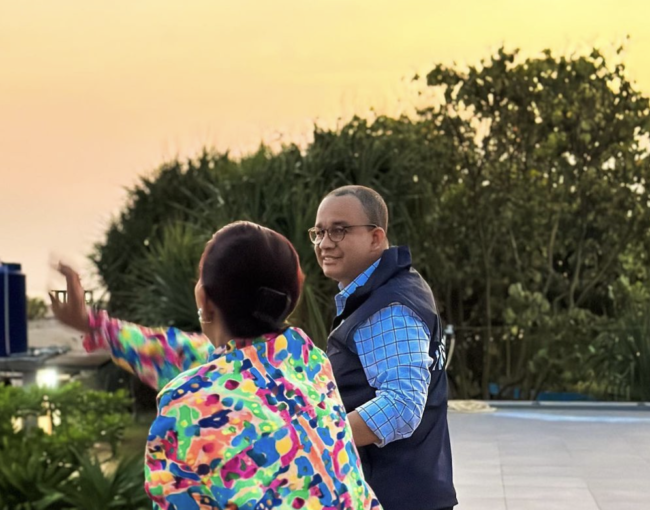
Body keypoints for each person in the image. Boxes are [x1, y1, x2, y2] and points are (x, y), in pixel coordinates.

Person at [50, 221, 381, 510]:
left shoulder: (187, 409)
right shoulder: (308, 363)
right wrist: (92, 324)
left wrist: (93, 325)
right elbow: (184, 353)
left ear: (204, 301)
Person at [309, 186, 457, 510]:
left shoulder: (390, 305)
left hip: (396, 496)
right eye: (318, 232)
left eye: (339, 230)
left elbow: (401, 405)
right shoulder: (390, 288)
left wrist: (315, 438)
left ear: (376, 238)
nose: (324, 243)